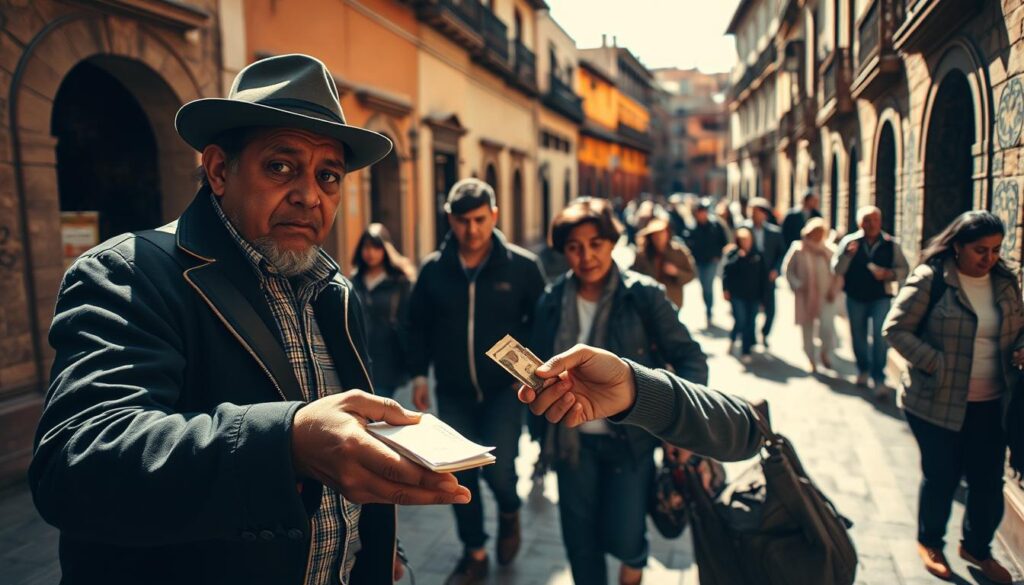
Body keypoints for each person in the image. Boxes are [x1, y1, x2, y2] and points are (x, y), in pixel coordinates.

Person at [29, 54, 470, 585]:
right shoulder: (128, 271)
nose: (310, 195)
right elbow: (76, 464)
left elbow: (343, 459)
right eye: (281, 166)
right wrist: (286, 442)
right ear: (219, 170)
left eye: (328, 175)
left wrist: (377, 548)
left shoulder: (334, 291)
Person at [531, 198, 708, 585]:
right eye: (575, 247)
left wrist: (682, 423)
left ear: (612, 243)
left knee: (628, 539)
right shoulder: (551, 299)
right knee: (580, 544)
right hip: (570, 443)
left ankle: (633, 572)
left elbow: (691, 358)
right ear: (564, 251)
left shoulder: (643, 295)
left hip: (631, 442)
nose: (587, 255)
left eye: (596, 243)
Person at [405, 177, 546, 584]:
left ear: (495, 215)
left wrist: (534, 373)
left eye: (480, 219)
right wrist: (418, 374)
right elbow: (417, 327)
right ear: (449, 218)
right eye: (463, 221)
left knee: (501, 473)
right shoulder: (433, 270)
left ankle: (509, 510)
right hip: (453, 392)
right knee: (459, 477)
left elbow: (541, 324)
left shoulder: (522, 267)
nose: (472, 229)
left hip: (504, 391)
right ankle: (475, 551)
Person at [882, 211, 1024, 584]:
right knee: (942, 476)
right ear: (958, 246)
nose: (989, 258)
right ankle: (930, 542)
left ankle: (976, 548)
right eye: (980, 250)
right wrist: (936, 363)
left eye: (995, 250)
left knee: (988, 482)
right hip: (934, 401)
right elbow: (895, 329)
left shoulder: (1006, 282)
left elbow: (1019, 327)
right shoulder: (933, 279)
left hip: (992, 403)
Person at [833, 205, 909, 394]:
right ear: (860, 223)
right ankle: (863, 369)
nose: (871, 224)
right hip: (855, 297)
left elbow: (904, 269)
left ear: (880, 222)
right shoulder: (850, 242)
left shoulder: (891, 244)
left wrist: (889, 273)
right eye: (867, 220)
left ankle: (878, 377)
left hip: (880, 298)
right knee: (858, 336)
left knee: (880, 336)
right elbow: (836, 269)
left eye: (875, 220)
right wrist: (847, 256)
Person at [351, 223, 415, 398]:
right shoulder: (353, 282)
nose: (370, 253)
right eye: (366, 247)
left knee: (379, 408)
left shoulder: (400, 282)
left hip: (387, 359)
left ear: (385, 249)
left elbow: (408, 321)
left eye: (376, 247)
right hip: (359, 357)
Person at [781, 217, 841, 373]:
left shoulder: (829, 250)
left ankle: (824, 353)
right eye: (815, 232)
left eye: (821, 232)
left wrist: (834, 290)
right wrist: (797, 285)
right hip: (805, 296)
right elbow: (788, 270)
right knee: (807, 329)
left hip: (827, 295)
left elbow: (838, 274)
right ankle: (811, 359)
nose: (817, 235)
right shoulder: (798, 248)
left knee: (827, 328)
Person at [632, 209, 697, 309]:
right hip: (648, 303)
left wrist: (676, 272)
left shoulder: (678, 252)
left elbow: (691, 275)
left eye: (662, 233)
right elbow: (633, 277)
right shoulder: (642, 255)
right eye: (655, 234)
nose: (659, 237)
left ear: (667, 233)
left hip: (672, 302)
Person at [743, 198, 786, 349]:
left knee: (771, 309)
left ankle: (765, 332)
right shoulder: (744, 229)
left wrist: (776, 270)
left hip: (768, 275)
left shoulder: (774, 232)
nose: (755, 215)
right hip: (750, 276)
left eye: (758, 212)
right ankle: (751, 337)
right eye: (752, 212)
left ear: (764, 214)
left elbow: (781, 254)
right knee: (752, 309)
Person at [722, 227, 768, 363]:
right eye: (743, 240)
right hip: (737, 294)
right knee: (740, 320)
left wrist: (764, 298)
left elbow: (763, 278)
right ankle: (733, 338)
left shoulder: (758, 255)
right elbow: (726, 273)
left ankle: (745, 350)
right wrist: (725, 290)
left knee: (750, 322)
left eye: (747, 240)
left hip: (753, 295)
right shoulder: (733, 254)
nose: (746, 243)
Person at [683, 198, 729, 328]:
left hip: (711, 262)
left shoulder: (715, 225)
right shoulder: (692, 227)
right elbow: (687, 244)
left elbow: (724, 241)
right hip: (698, 262)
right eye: (700, 212)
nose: (702, 214)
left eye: (704, 212)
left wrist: (718, 256)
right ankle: (707, 308)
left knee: (708, 287)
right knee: (703, 286)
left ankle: (709, 312)